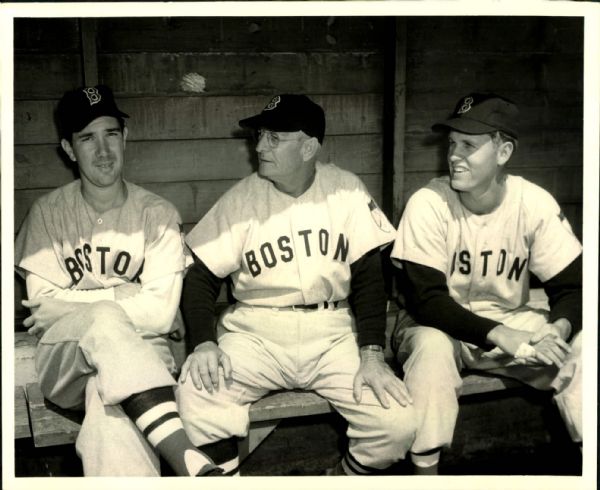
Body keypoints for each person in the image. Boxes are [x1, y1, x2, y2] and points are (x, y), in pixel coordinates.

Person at [176, 94, 417, 476]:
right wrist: (204, 342)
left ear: (308, 147)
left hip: (333, 333)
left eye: (274, 138)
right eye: (260, 136)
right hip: (257, 334)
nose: (259, 147)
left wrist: (371, 353)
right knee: (197, 394)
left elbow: (372, 279)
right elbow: (199, 278)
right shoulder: (242, 198)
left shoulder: (347, 190)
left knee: (398, 421)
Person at [15, 85, 221, 477]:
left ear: (125, 138)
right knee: (106, 316)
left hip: (143, 361)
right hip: (67, 365)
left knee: (111, 418)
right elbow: (43, 311)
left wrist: (77, 302)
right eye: (87, 138)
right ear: (69, 149)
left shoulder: (157, 213)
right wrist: (122, 294)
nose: (103, 150)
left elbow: (160, 314)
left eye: (111, 133)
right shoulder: (47, 213)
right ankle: (185, 456)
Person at [390, 92, 583, 473]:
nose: (454, 155)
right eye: (452, 144)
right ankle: (425, 474)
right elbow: (426, 301)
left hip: (511, 323)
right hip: (438, 326)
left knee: (585, 346)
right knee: (430, 350)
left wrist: (557, 331)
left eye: (469, 145)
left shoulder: (533, 202)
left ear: (503, 152)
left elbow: (575, 287)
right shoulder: (428, 202)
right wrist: (501, 334)